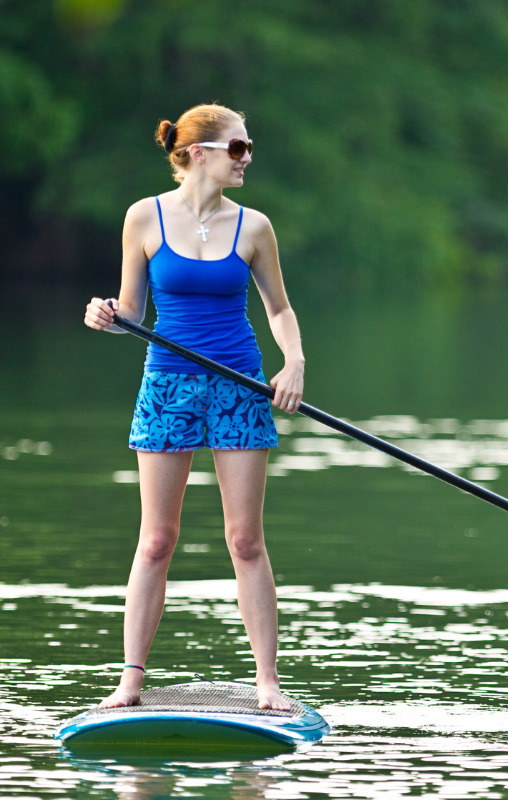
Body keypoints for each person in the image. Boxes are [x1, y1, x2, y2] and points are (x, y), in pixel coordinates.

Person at [83, 104, 304, 710]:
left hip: (239, 386)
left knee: (245, 541)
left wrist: (294, 363)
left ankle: (268, 684)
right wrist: (105, 316)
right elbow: (132, 315)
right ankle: (131, 680)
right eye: (239, 148)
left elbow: (278, 309)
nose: (248, 158)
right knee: (155, 540)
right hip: (168, 387)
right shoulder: (143, 217)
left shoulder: (254, 227)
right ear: (200, 153)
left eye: (249, 147)